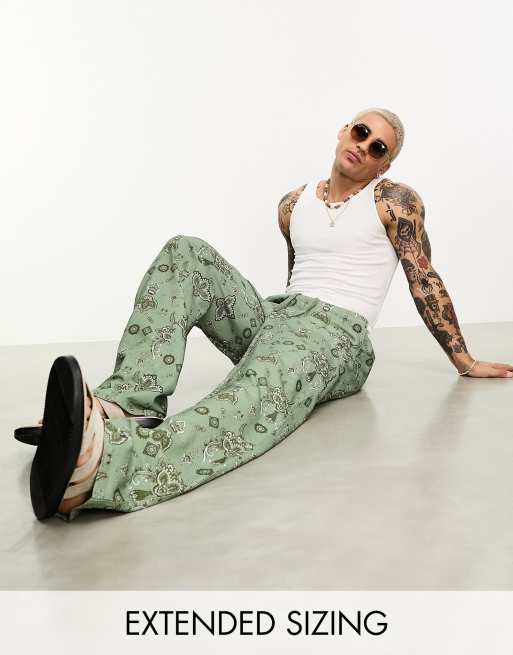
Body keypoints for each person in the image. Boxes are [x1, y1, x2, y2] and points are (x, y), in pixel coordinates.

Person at [24, 107, 513, 522]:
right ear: (343, 131)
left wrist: (464, 360)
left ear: (384, 165)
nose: (364, 146)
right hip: (282, 315)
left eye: (378, 147)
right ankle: (125, 406)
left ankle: (104, 469)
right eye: (360, 132)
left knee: (256, 385)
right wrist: (272, 332)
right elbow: (299, 273)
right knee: (186, 252)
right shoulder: (293, 204)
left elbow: (423, 277)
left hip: (339, 336)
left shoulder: (394, 201)